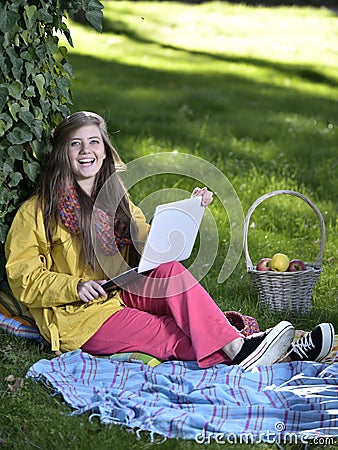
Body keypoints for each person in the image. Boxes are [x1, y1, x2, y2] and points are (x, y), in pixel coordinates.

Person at [4, 112, 334, 371]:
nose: (86, 151)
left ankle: (241, 347)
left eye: (94, 142)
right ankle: (281, 354)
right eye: (76, 143)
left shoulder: (114, 196)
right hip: (81, 316)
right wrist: (74, 287)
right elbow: (23, 278)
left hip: (120, 289)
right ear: (62, 151)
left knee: (171, 271)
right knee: (171, 332)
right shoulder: (38, 211)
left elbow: (147, 240)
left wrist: (185, 213)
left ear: (105, 151)